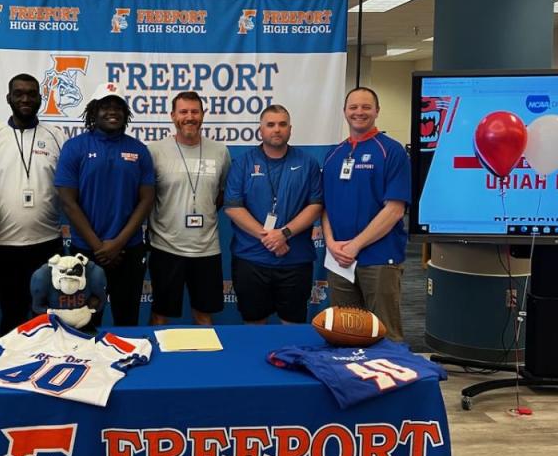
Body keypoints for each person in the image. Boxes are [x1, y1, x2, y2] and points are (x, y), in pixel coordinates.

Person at [55, 82, 154, 327]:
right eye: (105, 106)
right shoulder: (75, 148)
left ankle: (125, 364)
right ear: (93, 111)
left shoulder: (138, 150)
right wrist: (99, 247)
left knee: (127, 320)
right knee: (85, 321)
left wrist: (117, 244)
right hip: (87, 252)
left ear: (126, 113)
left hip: (128, 251)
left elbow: (147, 200)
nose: (112, 112)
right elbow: (68, 202)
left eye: (118, 107)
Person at [0, 73, 64, 335]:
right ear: (8, 98)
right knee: (12, 313)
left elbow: (68, 188)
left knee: (48, 315)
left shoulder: (57, 135)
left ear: (40, 98)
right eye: (19, 93)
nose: (25, 98)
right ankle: (10, 373)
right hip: (5, 244)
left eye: (31, 93)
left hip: (48, 242)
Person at [321, 87, 411, 342]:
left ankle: (392, 381)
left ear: (377, 111)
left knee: (385, 334)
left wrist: (355, 246)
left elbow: (395, 209)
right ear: (345, 112)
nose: (359, 112)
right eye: (353, 107)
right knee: (345, 334)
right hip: (339, 259)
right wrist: (331, 244)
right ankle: (351, 381)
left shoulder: (392, 152)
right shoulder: (334, 155)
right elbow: (324, 206)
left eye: (365, 107)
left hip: (379, 258)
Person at [224, 104, 323, 325]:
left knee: (293, 326)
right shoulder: (243, 163)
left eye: (282, 124)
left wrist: (284, 234)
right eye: (270, 124)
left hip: (295, 260)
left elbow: (315, 205)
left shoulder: (307, 163)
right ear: (261, 130)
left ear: (290, 129)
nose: (276, 129)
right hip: (251, 260)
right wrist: (269, 237)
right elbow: (232, 206)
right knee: (254, 325)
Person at [147, 92, 231, 325]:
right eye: (183, 112)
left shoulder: (220, 152)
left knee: (204, 315)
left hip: (206, 249)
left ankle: (207, 362)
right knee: (159, 315)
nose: (189, 117)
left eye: (195, 111)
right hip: (165, 247)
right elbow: (147, 197)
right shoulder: (155, 151)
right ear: (173, 116)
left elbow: (221, 195)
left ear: (203, 115)